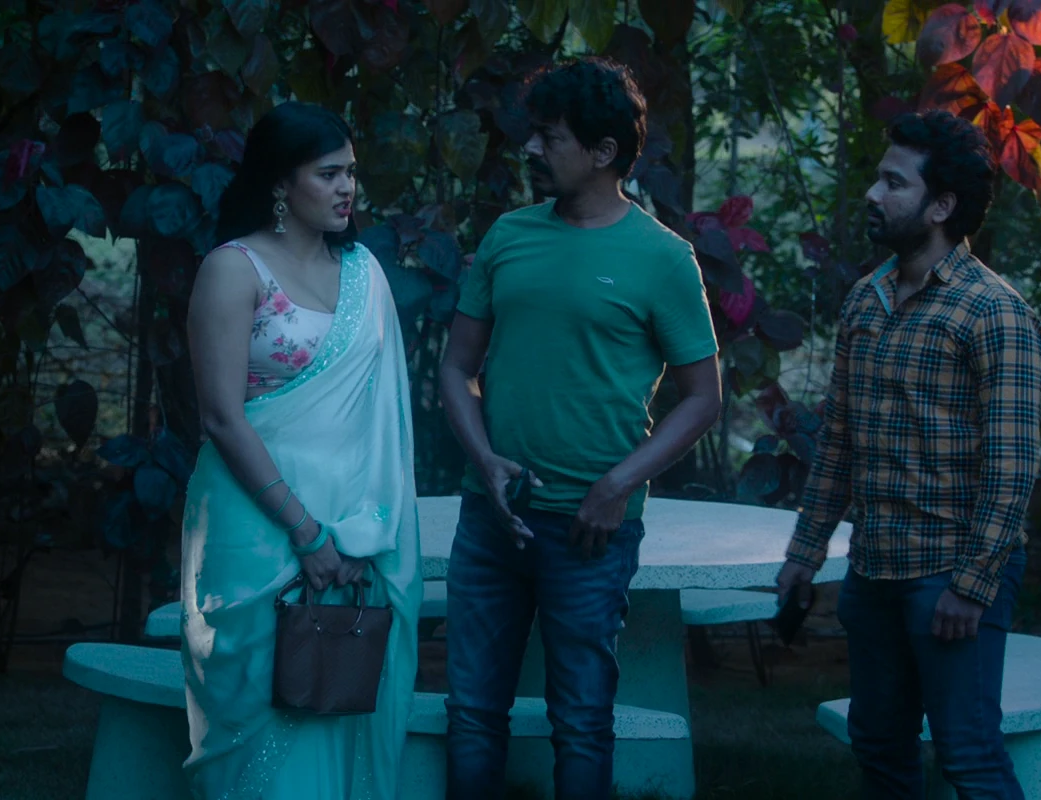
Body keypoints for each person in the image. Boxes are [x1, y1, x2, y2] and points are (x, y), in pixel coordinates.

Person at [437, 57, 723, 799]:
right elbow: (456, 368)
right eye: (533, 133)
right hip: (491, 517)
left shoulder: (664, 259)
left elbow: (702, 397)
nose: (531, 148)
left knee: (583, 721)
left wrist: (617, 486)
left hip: (592, 531)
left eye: (550, 136)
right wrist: (485, 462)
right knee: (472, 714)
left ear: (603, 151)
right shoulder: (508, 236)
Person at [775, 110, 1041, 799]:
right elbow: (839, 440)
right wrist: (805, 552)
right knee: (878, 745)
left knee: (969, 755)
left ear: (942, 206)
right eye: (878, 178)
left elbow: (1012, 469)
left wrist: (971, 587)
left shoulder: (994, 312)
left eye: (894, 182)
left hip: (950, 572)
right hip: (874, 570)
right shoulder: (865, 301)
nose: (873, 193)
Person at [178, 101, 421, 800]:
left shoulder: (364, 272)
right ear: (281, 183)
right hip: (254, 528)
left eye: (351, 173)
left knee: (341, 696)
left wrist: (356, 534)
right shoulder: (234, 269)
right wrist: (305, 531)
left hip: (355, 533)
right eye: (328, 173)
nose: (347, 188)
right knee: (249, 710)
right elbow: (222, 418)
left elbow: (383, 421)